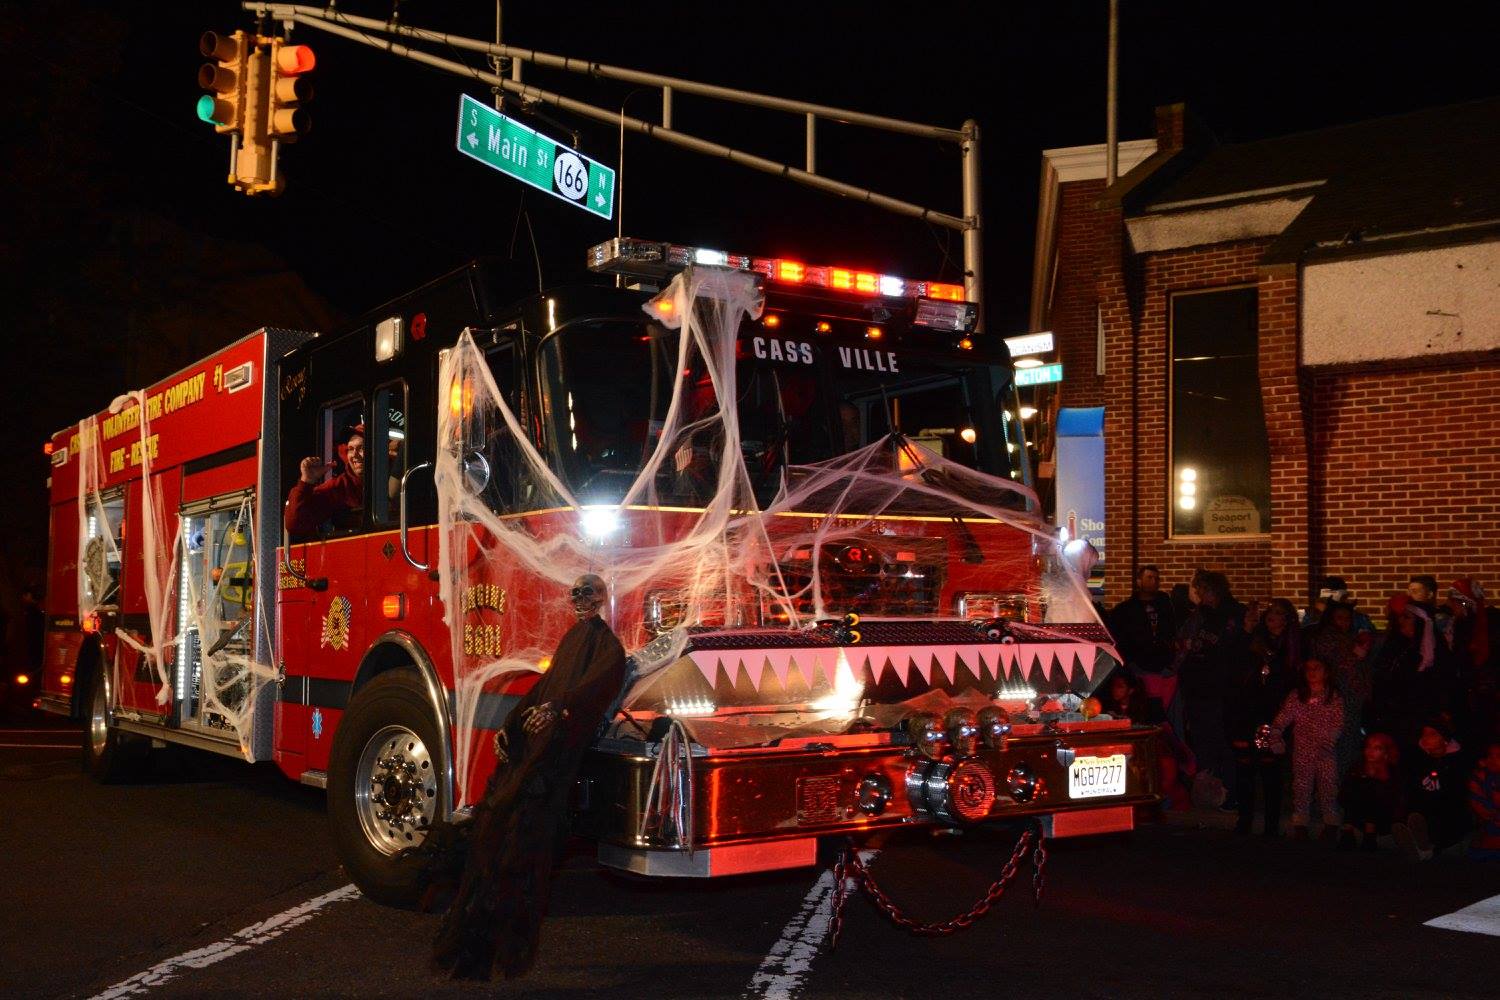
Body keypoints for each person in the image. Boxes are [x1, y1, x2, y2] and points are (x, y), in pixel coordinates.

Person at [426, 574, 628, 979]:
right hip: (536, 751)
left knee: (520, 841)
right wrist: (511, 723)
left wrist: (560, 709)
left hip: (554, 757)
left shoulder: (606, 646)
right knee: (497, 830)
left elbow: (592, 689)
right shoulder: (573, 639)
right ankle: (478, 933)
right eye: (575, 594)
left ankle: (497, 939)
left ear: (603, 598)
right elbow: (545, 687)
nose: (579, 600)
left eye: (588, 593)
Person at [1227, 598, 1297, 836]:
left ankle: (1271, 823)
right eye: (1270, 612)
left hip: (1273, 711)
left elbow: (1290, 676)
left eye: (1278, 613)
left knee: (1270, 767)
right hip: (1246, 710)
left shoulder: (1291, 645)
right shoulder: (1255, 639)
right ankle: (1244, 818)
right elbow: (1236, 660)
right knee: (1244, 765)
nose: (1272, 616)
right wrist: (1247, 627)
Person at [1174, 570, 1243, 807]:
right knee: (1203, 741)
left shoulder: (1232, 614)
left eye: (1202, 590)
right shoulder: (1199, 615)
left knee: (1222, 742)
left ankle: (1229, 793)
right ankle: (1208, 794)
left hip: (1220, 690)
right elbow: (1183, 640)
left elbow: (1234, 650)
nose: (1199, 595)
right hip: (1197, 688)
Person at [1271, 658, 1345, 840]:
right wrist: (1276, 733)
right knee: (1302, 785)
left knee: (1328, 784)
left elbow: (1338, 721)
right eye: (1308, 669)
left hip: (1325, 750)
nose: (1312, 672)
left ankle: (1330, 821)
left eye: (1317, 668)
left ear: (1326, 672)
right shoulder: (1297, 696)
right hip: (1302, 750)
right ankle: (1300, 822)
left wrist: (1329, 741)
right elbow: (1283, 717)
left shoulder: (1333, 696)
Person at [1395, 720, 1469, 861]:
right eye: (1424, 734)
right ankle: (1422, 849)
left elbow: (1456, 795)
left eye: (1432, 734)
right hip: (1421, 811)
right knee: (1414, 815)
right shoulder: (1417, 760)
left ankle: (1425, 847)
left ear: (1444, 739)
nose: (1426, 738)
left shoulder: (1457, 762)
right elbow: (1411, 790)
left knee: (1440, 815)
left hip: (1447, 813)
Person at [285, 426, 366, 537]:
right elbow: (295, 523)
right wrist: (307, 481)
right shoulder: (339, 487)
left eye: (361, 448)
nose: (355, 455)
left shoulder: (391, 481)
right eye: (350, 449)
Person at [1338, 732, 1403, 851]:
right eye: (1368, 747)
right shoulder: (1357, 767)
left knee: (1372, 787)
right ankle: (1348, 832)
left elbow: (1392, 798)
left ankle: (1370, 834)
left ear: (1386, 753)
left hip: (1382, 816)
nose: (1370, 751)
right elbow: (1344, 793)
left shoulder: (1392, 771)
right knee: (1357, 784)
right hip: (1356, 812)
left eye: (1377, 748)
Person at [1109, 565, 1177, 677]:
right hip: (1138, 665)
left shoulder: (1164, 604)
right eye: (1149, 578)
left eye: (1156, 578)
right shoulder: (1126, 609)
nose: (1154, 581)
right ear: (1139, 582)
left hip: (1162, 664)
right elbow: (1119, 637)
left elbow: (1171, 629)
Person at [1470, 741, 1500, 861]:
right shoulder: (1480, 777)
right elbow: (1478, 804)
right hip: (1489, 829)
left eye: (1498, 756)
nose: (1493, 760)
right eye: (1490, 755)